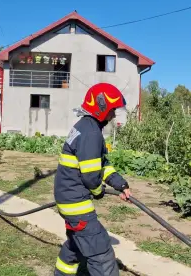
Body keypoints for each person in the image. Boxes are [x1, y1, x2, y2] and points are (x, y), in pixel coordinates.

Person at [54, 83, 131, 276]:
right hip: (76, 203)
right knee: (101, 253)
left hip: (68, 199)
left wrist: (120, 184)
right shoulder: (90, 133)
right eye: (112, 110)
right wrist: (98, 191)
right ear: (101, 106)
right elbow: (90, 176)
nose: (113, 115)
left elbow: (101, 164)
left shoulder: (86, 127)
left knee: (76, 245)